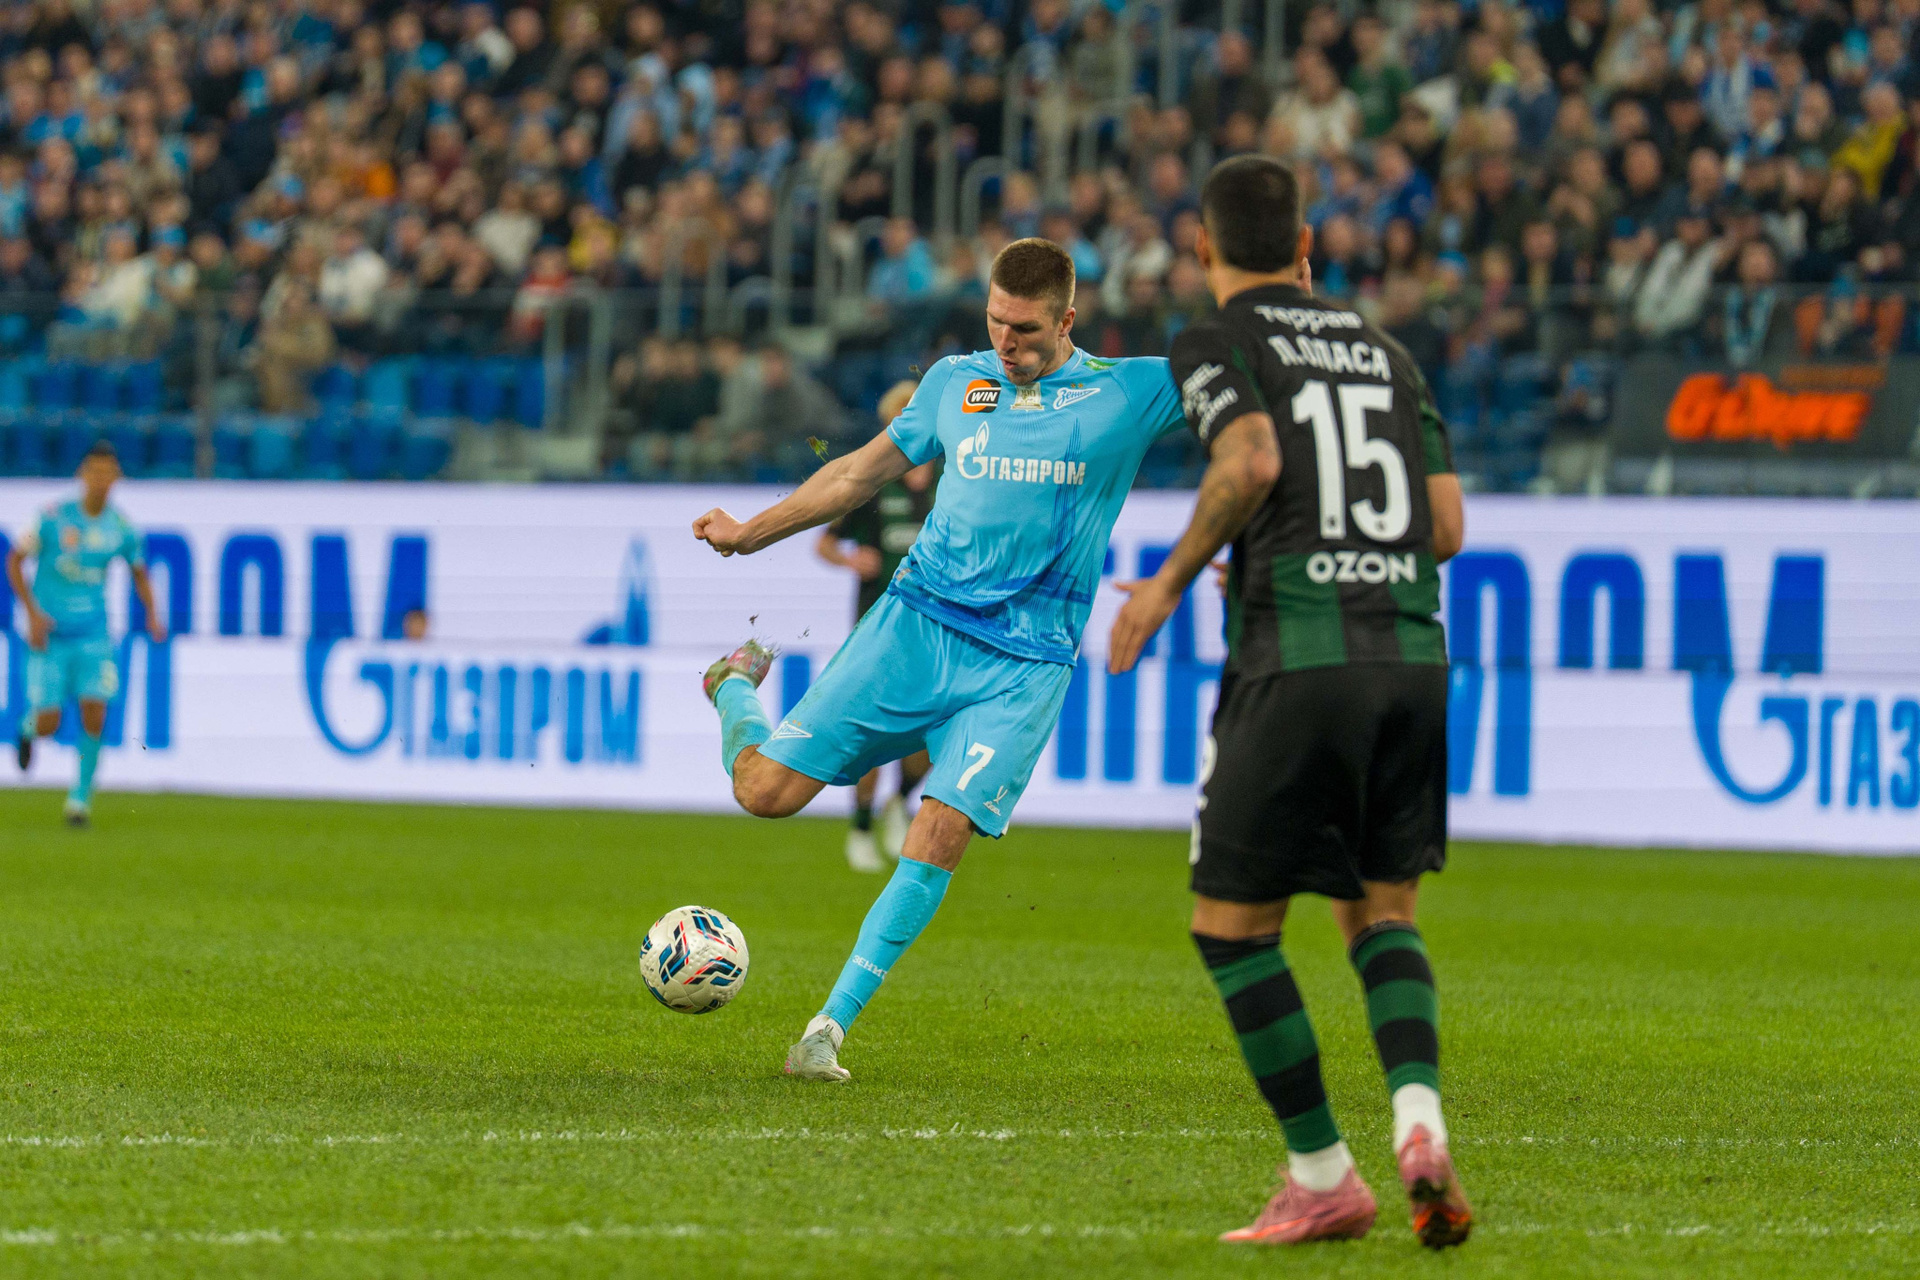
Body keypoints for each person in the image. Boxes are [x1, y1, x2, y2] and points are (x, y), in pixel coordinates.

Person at [690, 238, 1188, 1082]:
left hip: (1026, 662)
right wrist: (749, 534)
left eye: (1025, 330)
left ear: (1068, 319)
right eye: (996, 322)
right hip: (915, 626)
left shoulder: (1130, 391)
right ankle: (733, 683)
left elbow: (1256, 384)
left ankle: (826, 1030)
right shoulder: (956, 382)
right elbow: (855, 475)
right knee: (764, 793)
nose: (1006, 343)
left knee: (941, 825)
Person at [1106, 156, 1470, 1249]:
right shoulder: (1388, 351)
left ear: (1203, 246)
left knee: (1233, 928)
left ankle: (1322, 1173)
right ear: (1308, 247)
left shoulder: (1214, 341)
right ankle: (1418, 1118)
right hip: (1413, 657)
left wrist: (1167, 583)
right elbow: (1446, 527)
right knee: (1383, 913)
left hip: (1300, 662)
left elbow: (1252, 457)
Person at [9, 441, 167, 827]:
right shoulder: (52, 518)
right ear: (82, 474)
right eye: (94, 472)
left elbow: (139, 573)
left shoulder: (121, 528)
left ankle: (79, 801)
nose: (100, 480)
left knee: (95, 712)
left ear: (117, 477)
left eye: (107, 473)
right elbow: (14, 561)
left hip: (94, 635)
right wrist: (32, 613)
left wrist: (152, 614)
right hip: (51, 635)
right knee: (49, 721)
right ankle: (28, 729)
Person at [813, 378, 936, 872]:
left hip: (936, 629)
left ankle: (900, 802)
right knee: (872, 733)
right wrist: (850, 559)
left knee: (929, 737)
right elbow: (825, 542)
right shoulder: (876, 485)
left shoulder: (955, 482)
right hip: (877, 628)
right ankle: (861, 827)